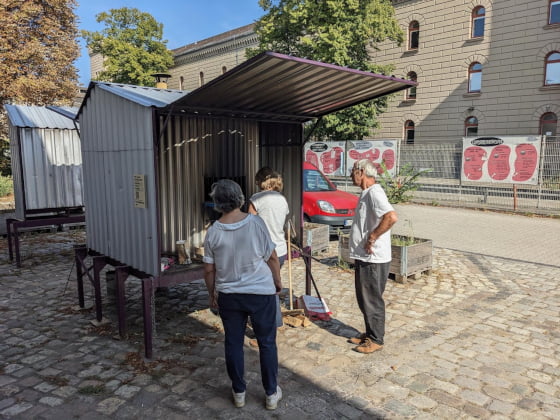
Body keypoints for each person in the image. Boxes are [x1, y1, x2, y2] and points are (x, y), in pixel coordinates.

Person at [203, 179, 283, 410]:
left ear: (217, 202)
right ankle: (270, 394)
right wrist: (277, 281)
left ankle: (239, 392)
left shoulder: (213, 232)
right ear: (240, 198)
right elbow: (272, 257)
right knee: (267, 343)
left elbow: (209, 269)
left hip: (230, 295)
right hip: (261, 293)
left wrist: (212, 293)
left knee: (233, 343)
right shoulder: (256, 223)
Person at [348, 159, 398, 354]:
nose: (351, 174)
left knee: (372, 299)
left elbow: (391, 217)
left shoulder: (375, 193)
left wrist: (373, 237)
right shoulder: (366, 193)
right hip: (365, 257)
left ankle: (376, 339)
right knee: (364, 298)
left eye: (353, 170)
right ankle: (370, 333)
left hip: (373, 258)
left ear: (361, 172)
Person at [248, 167, 290, 328]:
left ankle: (264, 326)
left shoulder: (257, 198)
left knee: (259, 290)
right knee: (271, 288)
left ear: (261, 181)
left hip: (263, 250)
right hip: (280, 249)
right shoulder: (282, 199)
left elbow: (250, 223)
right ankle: (275, 321)